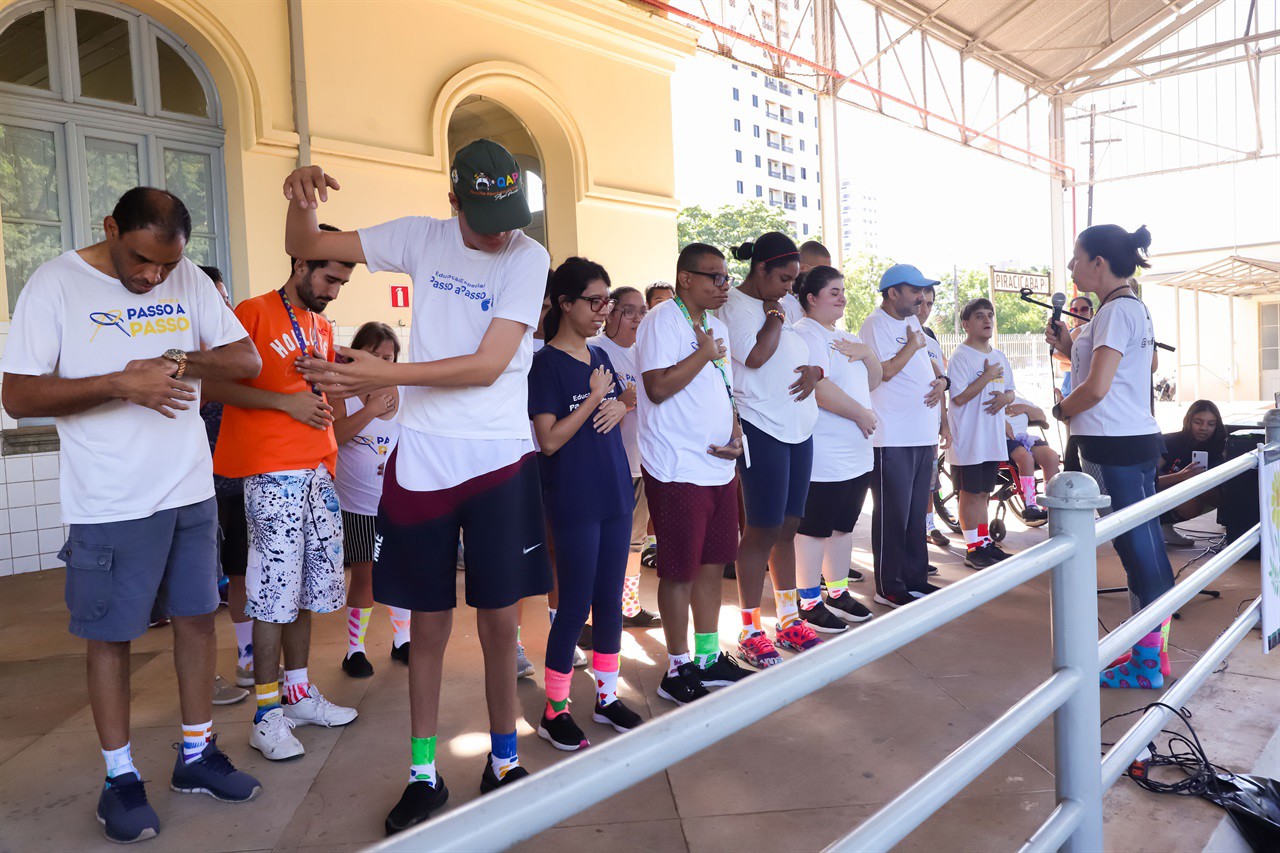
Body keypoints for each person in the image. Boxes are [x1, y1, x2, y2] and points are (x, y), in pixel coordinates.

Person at [284, 138, 554, 833]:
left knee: (499, 623)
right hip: (423, 464)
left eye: (511, 212)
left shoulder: (529, 256)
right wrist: (300, 197)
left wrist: (379, 376)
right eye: (486, 212)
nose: (501, 229)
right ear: (454, 200)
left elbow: (490, 364)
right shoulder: (420, 238)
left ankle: (502, 757)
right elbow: (310, 244)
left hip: (498, 459)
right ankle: (423, 773)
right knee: (426, 628)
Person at [1, 188, 264, 842]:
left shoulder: (187, 280)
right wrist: (122, 381)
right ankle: (120, 778)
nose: (151, 276)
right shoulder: (56, 284)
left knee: (198, 622)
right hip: (110, 500)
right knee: (112, 635)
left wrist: (179, 360)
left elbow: (246, 360)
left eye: (164, 266)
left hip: (190, 492)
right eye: (141, 260)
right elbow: (18, 393)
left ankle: (196, 754)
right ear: (111, 228)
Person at [208, 227, 359, 761]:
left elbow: (313, 390)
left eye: (342, 282)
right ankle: (266, 712)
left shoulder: (320, 324)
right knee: (272, 594)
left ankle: (297, 693)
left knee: (310, 590)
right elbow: (211, 384)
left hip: (318, 470)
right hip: (271, 472)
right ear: (300, 264)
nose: (334, 291)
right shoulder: (251, 311)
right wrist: (283, 405)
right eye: (329, 278)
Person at [1048, 223, 1173, 689]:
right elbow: (1117, 373)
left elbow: (1097, 389)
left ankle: (1146, 662)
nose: (1071, 266)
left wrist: (1061, 410)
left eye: (1076, 257)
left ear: (1098, 263)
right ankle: (1151, 652)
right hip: (1129, 440)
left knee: (1138, 551)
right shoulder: (1121, 310)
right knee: (1144, 548)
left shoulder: (1117, 312)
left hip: (1114, 444)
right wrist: (1067, 344)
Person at [529, 258, 644, 750]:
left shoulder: (600, 356)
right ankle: (554, 710)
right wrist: (594, 400)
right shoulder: (545, 364)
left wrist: (622, 401)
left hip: (616, 489)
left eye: (607, 301)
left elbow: (626, 396)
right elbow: (549, 440)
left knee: (611, 601)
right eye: (594, 301)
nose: (603, 311)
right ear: (565, 303)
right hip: (574, 496)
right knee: (574, 603)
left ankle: (606, 696)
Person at [637, 243, 751, 702]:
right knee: (679, 571)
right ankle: (677, 666)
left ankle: (707, 658)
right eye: (714, 277)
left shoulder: (716, 325)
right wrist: (704, 353)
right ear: (686, 278)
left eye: (725, 277)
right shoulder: (661, 320)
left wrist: (737, 430)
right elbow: (658, 387)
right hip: (676, 464)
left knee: (712, 563)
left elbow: (724, 389)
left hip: (719, 465)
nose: (723, 285)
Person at [718, 233, 823, 668]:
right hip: (762, 426)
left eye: (794, 280)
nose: (789, 288)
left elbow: (804, 352)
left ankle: (788, 618)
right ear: (759, 269)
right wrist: (776, 315)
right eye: (783, 278)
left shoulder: (782, 304)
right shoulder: (735, 308)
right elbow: (757, 356)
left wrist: (816, 371)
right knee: (761, 528)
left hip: (800, 427)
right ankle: (749, 628)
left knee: (789, 525)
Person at [792, 266, 879, 629]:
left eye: (842, 290)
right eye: (833, 291)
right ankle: (809, 600)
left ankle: (838, 592)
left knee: (843, 527)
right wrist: (861, 414)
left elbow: (873, 381)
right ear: (811, 298)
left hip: (856, 453)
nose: (842, 296)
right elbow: (819, 388)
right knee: (814, 529)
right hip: (825, 452)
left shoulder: (844, 336)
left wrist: (868, 354)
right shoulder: (804, 335)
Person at [859, 265, 948, 608]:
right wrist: (912, 346)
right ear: (893, 292)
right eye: (915, 291)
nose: (922, 297)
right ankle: (889, 586)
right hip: (892, 435)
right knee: (892, 515)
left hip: (921, 432)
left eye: (924, 291)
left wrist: (943, 383)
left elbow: (930, 369)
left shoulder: (913, 323)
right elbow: (882, 373)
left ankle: (915, 579)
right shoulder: (875, 324)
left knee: (914, 515)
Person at [333, 321, 412, 677]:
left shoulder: (405, 392)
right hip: (357, 504)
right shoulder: (340, 390)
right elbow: (335, 437)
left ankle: (402, 640)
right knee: (364, 575)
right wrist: (370, 408)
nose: (382, 362)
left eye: (389, 357)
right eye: (374, 355)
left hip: (397, 500)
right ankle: (355, 650)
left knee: (400, 571)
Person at [590, 285, 661, 627]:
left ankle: (628, 605)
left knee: (634, 542)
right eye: (629, 310)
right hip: (608, 465)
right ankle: (595, 613)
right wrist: (625, 400)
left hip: (641, 460)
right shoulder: (594, 350)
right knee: (603, 542)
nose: (637, 318)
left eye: (642, 311)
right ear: (610, 313)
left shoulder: (644, 354)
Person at [196, 264, 250, 706]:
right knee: (200, 583)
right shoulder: (181, 355)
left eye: (226, 296)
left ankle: (248, 658)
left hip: (240, 478)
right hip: (197, 488)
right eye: (216, 298)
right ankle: (204, 675)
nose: (225, 306)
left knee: (241, 572)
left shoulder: (234, 350)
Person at [946, 298, 1016, 570]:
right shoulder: (961, 356)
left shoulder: (999, 355)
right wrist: (986, 377)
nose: (987, 321)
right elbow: (959, 398)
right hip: (969, 439)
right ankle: (973, 549)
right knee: (969, 493)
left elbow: (1010, 389)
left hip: (992, 438)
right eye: (979, 316)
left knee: (985, 493)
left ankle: (985, 542)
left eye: (990, 315)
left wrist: (1005, 399)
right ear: (966, 324)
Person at [637, 284, 674, 569]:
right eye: (658, 302)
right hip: (643, 449)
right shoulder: (648, 343)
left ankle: (628, 602)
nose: (665, 307)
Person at [1157, 399, 1226, 546]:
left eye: (1210, 423)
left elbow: (1217, 499)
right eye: (1198, 422)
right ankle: (1160, 524)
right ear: (1188, 421)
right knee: (1191, 503)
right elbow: (1148, 479)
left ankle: (1165, 526)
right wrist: (1180, 476)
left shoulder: (1218, 447)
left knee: (1216, 494)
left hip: (1196, 494)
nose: (1204, 428)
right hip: (1159, 493)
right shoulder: (1170, 441)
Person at [918, 286, 951, 550]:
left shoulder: (931, 341)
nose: (924, 310)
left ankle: (928, 525)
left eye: (929, 304)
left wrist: (945, 423)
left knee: (929, 481)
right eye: (920, 303)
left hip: (929, 424)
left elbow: (939, 384)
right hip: (901, 428)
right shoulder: (888, 331)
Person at [1004, 396, 1060, 523]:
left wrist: (1025, 408)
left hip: (1024, 439)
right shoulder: (987, 397)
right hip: (1003, 440)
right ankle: (1030, 505)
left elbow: (1042, 417)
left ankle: (1049, 503)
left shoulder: (1017, 399)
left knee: (1051, 457)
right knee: (1025, 458)